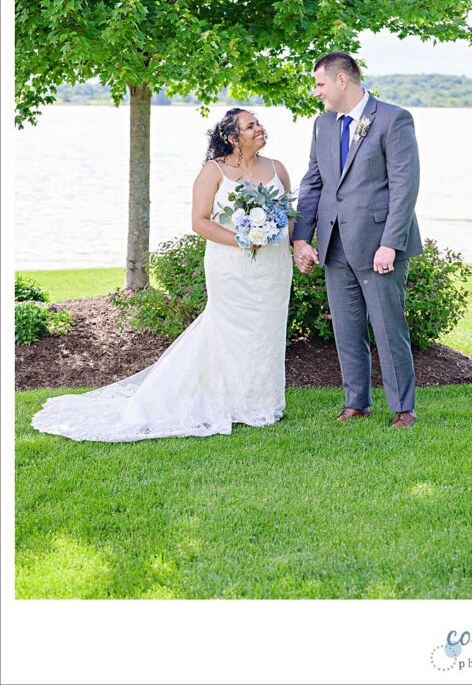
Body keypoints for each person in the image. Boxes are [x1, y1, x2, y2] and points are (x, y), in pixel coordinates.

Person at [32, 108, 294, 441]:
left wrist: (288, 243)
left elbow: (287, 214)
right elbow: (199, 221)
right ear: (232, 137)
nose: (260, 128)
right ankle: (230, 401)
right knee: (228, 331)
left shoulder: (277, 169)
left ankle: (263, 402)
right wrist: (241, 240)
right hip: (231, 267)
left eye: (258, 123)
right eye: (251, 126)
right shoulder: (213, 172)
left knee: (266, 332)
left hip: (272, 269)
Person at [292, 52, 422, 428]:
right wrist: (302, 238)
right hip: (335, 243)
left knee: (388, 327)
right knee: (346, 329)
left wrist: (391, 243)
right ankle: (356, 403)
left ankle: (403, 409)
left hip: (379, 244)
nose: (317, 92)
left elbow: (404, 185)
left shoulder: (393, 119)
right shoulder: (323, 125)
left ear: (342, 81)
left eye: (320, 84)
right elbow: (313, 181)